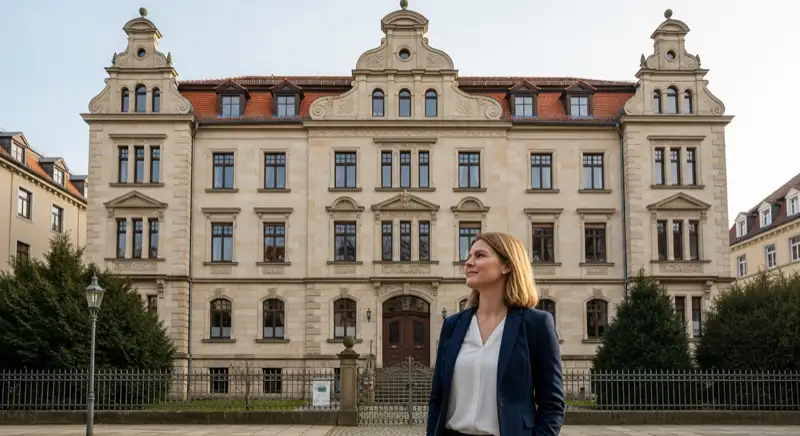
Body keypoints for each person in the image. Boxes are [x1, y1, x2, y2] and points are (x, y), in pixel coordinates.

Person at [426, 232, 565, 436]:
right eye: (469, 256)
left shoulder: (535, 325)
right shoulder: (453, 325)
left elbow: (552, 405)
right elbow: (437, 399)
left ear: (507, 265)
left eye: (480, 256)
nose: (468, 263)